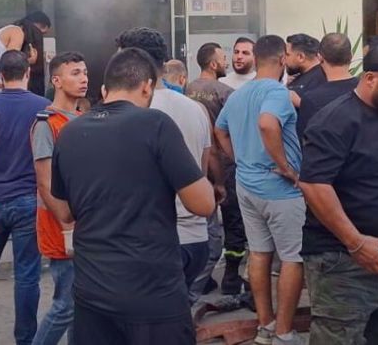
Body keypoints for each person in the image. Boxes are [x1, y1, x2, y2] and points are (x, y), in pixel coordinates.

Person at [45, 48, 215, 344]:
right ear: (147, 86)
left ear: (103, 89)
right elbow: (202, 204)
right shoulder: (156, 125)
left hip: (92, 292)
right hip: (152, 292)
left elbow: (64, 212)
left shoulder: (69, 132)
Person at [299, 40, 378, 345]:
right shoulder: (335, 120)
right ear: (370, 78)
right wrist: (356, 243)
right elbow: (314, 185)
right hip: (340, 258)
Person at [215, 35, 305, 345]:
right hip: (279, 189)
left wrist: (238, 158)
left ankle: (265, 325)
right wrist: (285, 166)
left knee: (258, 253)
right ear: (282, 60)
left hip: (246, 184)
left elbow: (219, 128)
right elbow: (268, 124)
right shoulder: (276, 92)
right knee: (293, 257)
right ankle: (283, 331)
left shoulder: (239, 95)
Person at [116, 28, 214, 303]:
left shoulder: (128, 111)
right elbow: (201, 172)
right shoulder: (196, 109)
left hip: (150, 242)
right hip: (194, 239)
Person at [0, 50, 51, 345]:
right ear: (27, 73)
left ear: (0, 76)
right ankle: (25, 340)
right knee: (27, 275)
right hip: (29, 200)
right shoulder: (44, 108)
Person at [30, 52, 88, 345]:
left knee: (79, 307)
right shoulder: (46, 123)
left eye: (84, 72)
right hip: (62, 228)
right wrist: (67, 224)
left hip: (82, 225)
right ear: (56, 80)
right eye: (75, 73)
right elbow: (45, 181)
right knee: (66, 306)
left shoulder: (81, 119)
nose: (83, 78)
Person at [186, 43, 246, 296]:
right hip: (224, 164)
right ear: (213, 64)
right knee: (233, 221)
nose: (228, 61)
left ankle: (202, 273)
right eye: (223, 58)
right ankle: (231, 277)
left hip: (197, 163)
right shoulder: (226, 92)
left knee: (201, 221)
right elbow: (236, 129)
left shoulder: (188, 89)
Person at [296, 33, 358, 141]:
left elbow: (304, 139)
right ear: (351, 55)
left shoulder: (312, 99)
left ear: (320, 57)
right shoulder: (366, 90)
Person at [0, 11, 52, 94]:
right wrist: (30, 61)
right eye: (40, 34)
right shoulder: (16, 32)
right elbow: (12, 64)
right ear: (34, 27)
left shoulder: (7, 30)